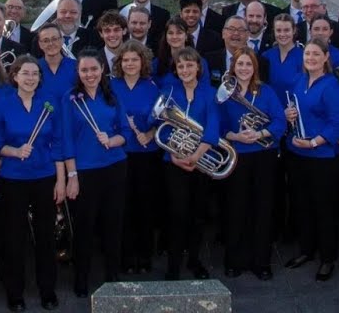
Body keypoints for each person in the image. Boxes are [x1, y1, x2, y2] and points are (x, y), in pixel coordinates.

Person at [0, 57, 65, 311]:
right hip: (13, 179)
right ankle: (15, 293)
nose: (30, 78)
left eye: (35, 74)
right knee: (14, 237)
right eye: (25, 73)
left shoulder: (49, 104)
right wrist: (15, 151)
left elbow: (58, 143)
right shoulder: (3, 105)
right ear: (15, 76)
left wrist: (61, 180)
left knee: (46, 236)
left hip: (44, 176)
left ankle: (47, 290)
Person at [62, 52, 128, 298]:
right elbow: (67, 140)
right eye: (84, 70)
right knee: (84, 226)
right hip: (85, 171)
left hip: (114, 166)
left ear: (102, 69)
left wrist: (111, 140)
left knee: (113, 223)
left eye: (94, 69)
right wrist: (72, 175)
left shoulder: (112, 95)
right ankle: (81, 277)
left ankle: (112, 273)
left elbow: (124, 133)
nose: (89, 74)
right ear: (78, 72)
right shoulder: (70, 99)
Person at [283, 38, 339, 282]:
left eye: (316, 54)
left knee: (324, 209)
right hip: (298, 154)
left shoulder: (332, 86)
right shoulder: (299, 81)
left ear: (326, 57)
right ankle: (306, 250)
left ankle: (327, 258)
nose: (310, 58)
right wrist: (288, 114)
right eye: (307, 54)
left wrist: (313, 143)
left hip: (322, 157)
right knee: (303, 205)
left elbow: (337, 124)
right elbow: (294, 112)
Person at [220, 49, 285, 280]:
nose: (244, 68)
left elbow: (280, 121)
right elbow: (219, 126)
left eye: (248, 64)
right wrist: (236, 136)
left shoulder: (266, 91)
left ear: (254, 67)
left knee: (262, 208)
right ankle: (234, 260)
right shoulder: (225, 94)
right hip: (237, 155)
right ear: (233, 67)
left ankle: (261, 262)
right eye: (240, 64)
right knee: (236, 208)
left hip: (264, 155)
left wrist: (260, 133)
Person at [157, 47, 221, 281]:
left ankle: (195, 260)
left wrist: (196, 155)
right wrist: (174, 154)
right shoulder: (168, 91)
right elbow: (162, 128)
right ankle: (173, 264)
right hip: (173, 161)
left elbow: (213, 126)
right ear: (176, 69)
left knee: (198, 213)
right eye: (181, 66)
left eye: (189, 65)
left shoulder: (209, 93)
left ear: (198, 67)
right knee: (177, 213)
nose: (185, 70)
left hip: (201, 161)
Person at [109, 41, 161, 276]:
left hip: (147, 154)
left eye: (134, 59)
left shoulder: (152, 87)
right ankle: (126, 256)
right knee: (123, 206)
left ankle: (145, 255)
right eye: (126, 60)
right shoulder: (111, 87)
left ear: (143, 62)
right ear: (120, 63)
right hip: (119, 155)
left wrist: (149, 134)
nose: (130, 64)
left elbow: (161, 120)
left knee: (146, 205)